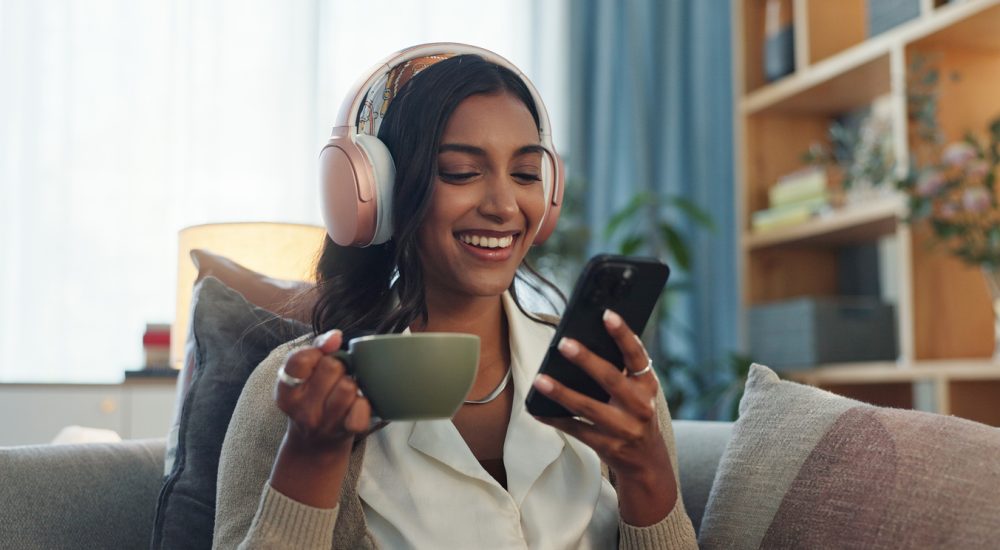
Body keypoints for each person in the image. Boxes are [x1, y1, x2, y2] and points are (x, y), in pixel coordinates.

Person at [213, 43, 697, 549]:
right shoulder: (294, 390)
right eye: (462, 172)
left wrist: (648, 474)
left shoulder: (606, 373)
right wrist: (310, 458)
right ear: (382, 189)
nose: (504, 206)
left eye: (527, 174)